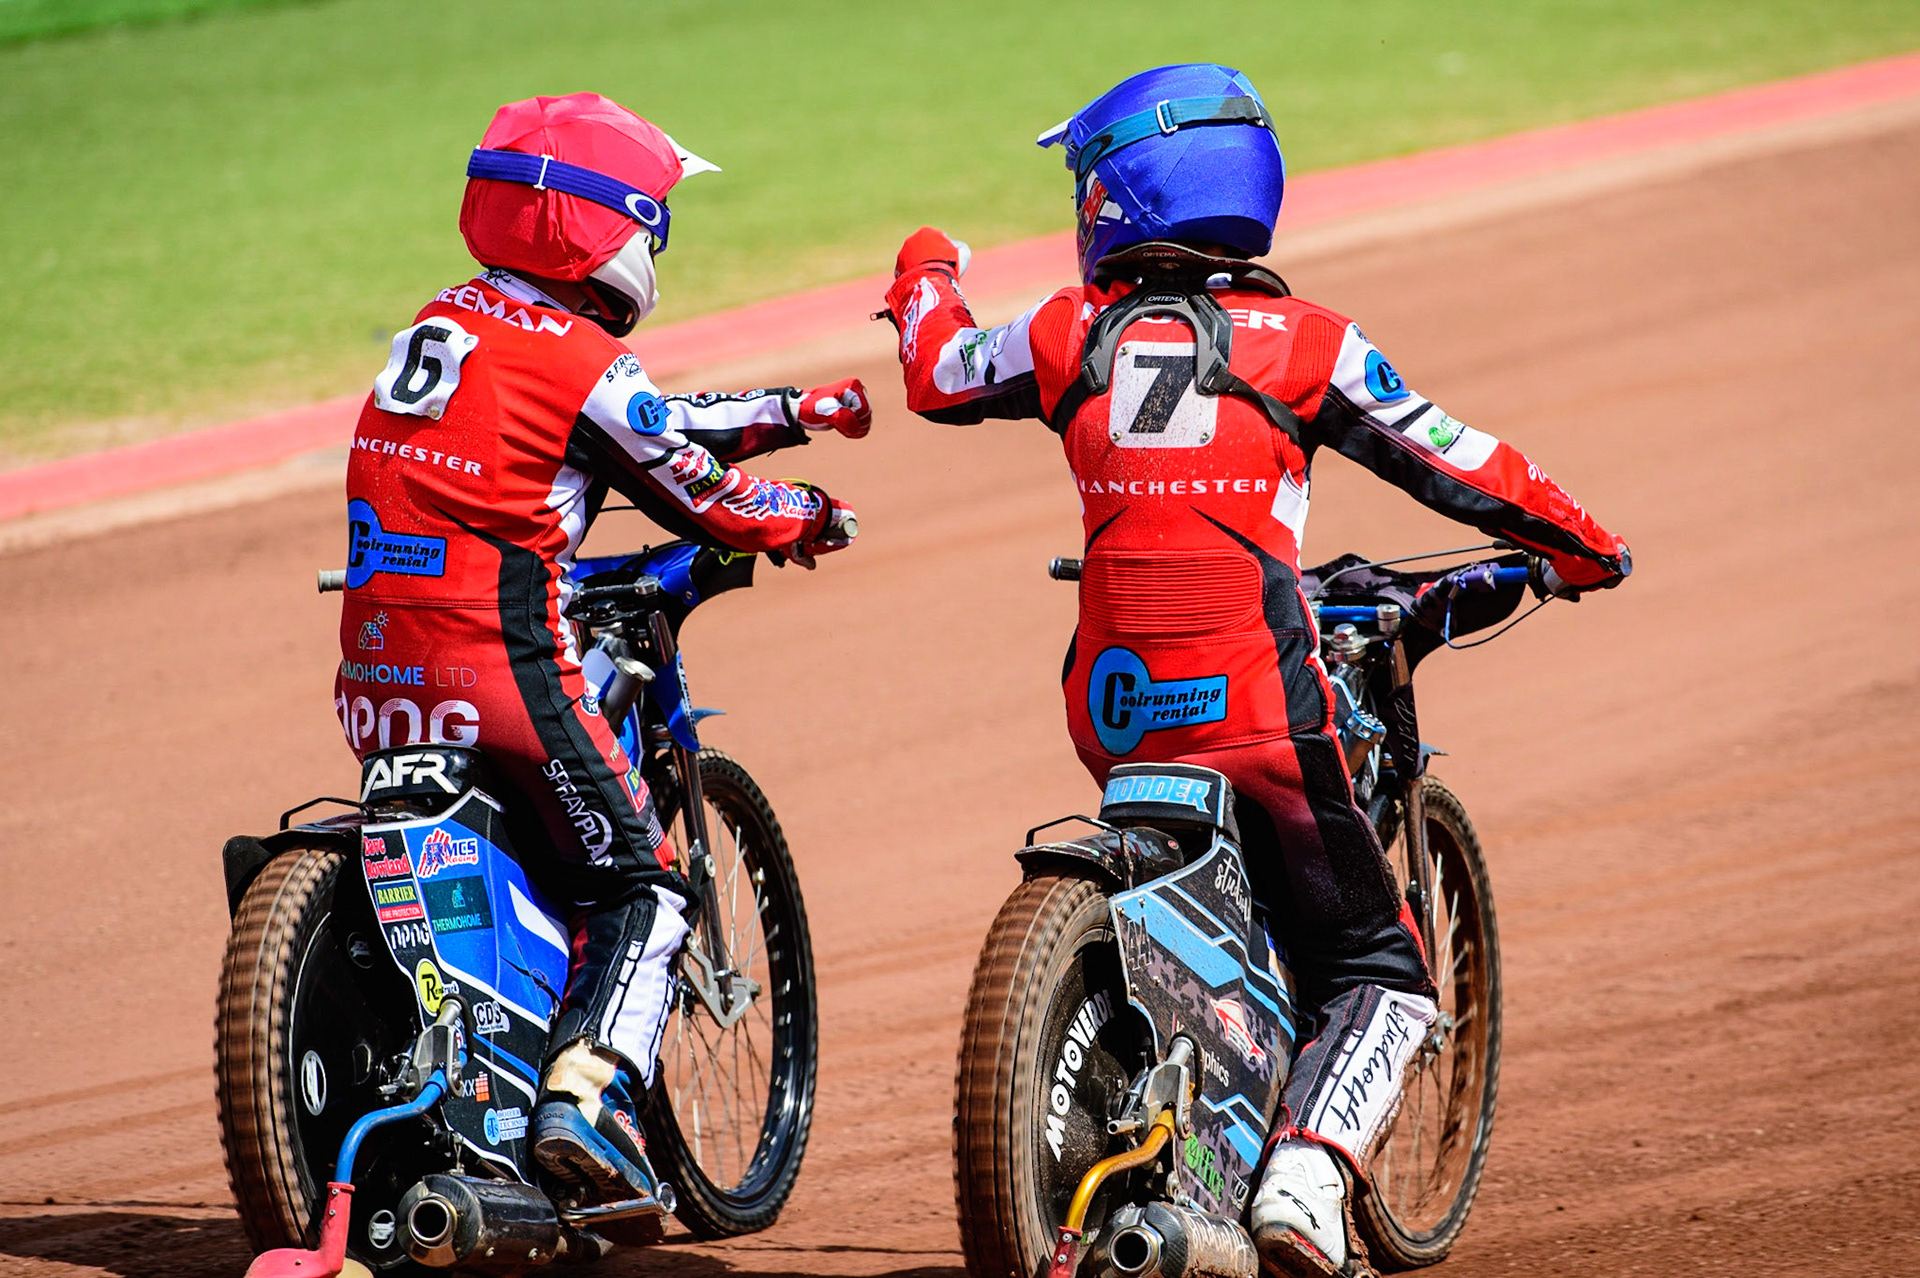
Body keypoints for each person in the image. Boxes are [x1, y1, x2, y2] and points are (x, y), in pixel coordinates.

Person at [882, 64, 1630, 1277]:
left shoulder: (1068, 334)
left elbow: (938, 368)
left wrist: (924, 267)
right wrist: (1582, 544)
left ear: (1118, 197)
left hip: (1113, 709)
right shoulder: (1308, 343)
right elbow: (1461, 462)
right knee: (1382, 968)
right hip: (1261, 704)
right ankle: (1305, 1176)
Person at [335, 92, 869, 1208]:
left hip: (378, 665)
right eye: (652, 220)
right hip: (505, 659)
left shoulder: (440, 325)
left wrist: (792, 403)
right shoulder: (581, 356)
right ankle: (581, 1097)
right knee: (642, 883)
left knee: (525, 832)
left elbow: (626, 424)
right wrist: (801, 512)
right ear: (605, 227)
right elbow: (695, 487)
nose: (657, 241)